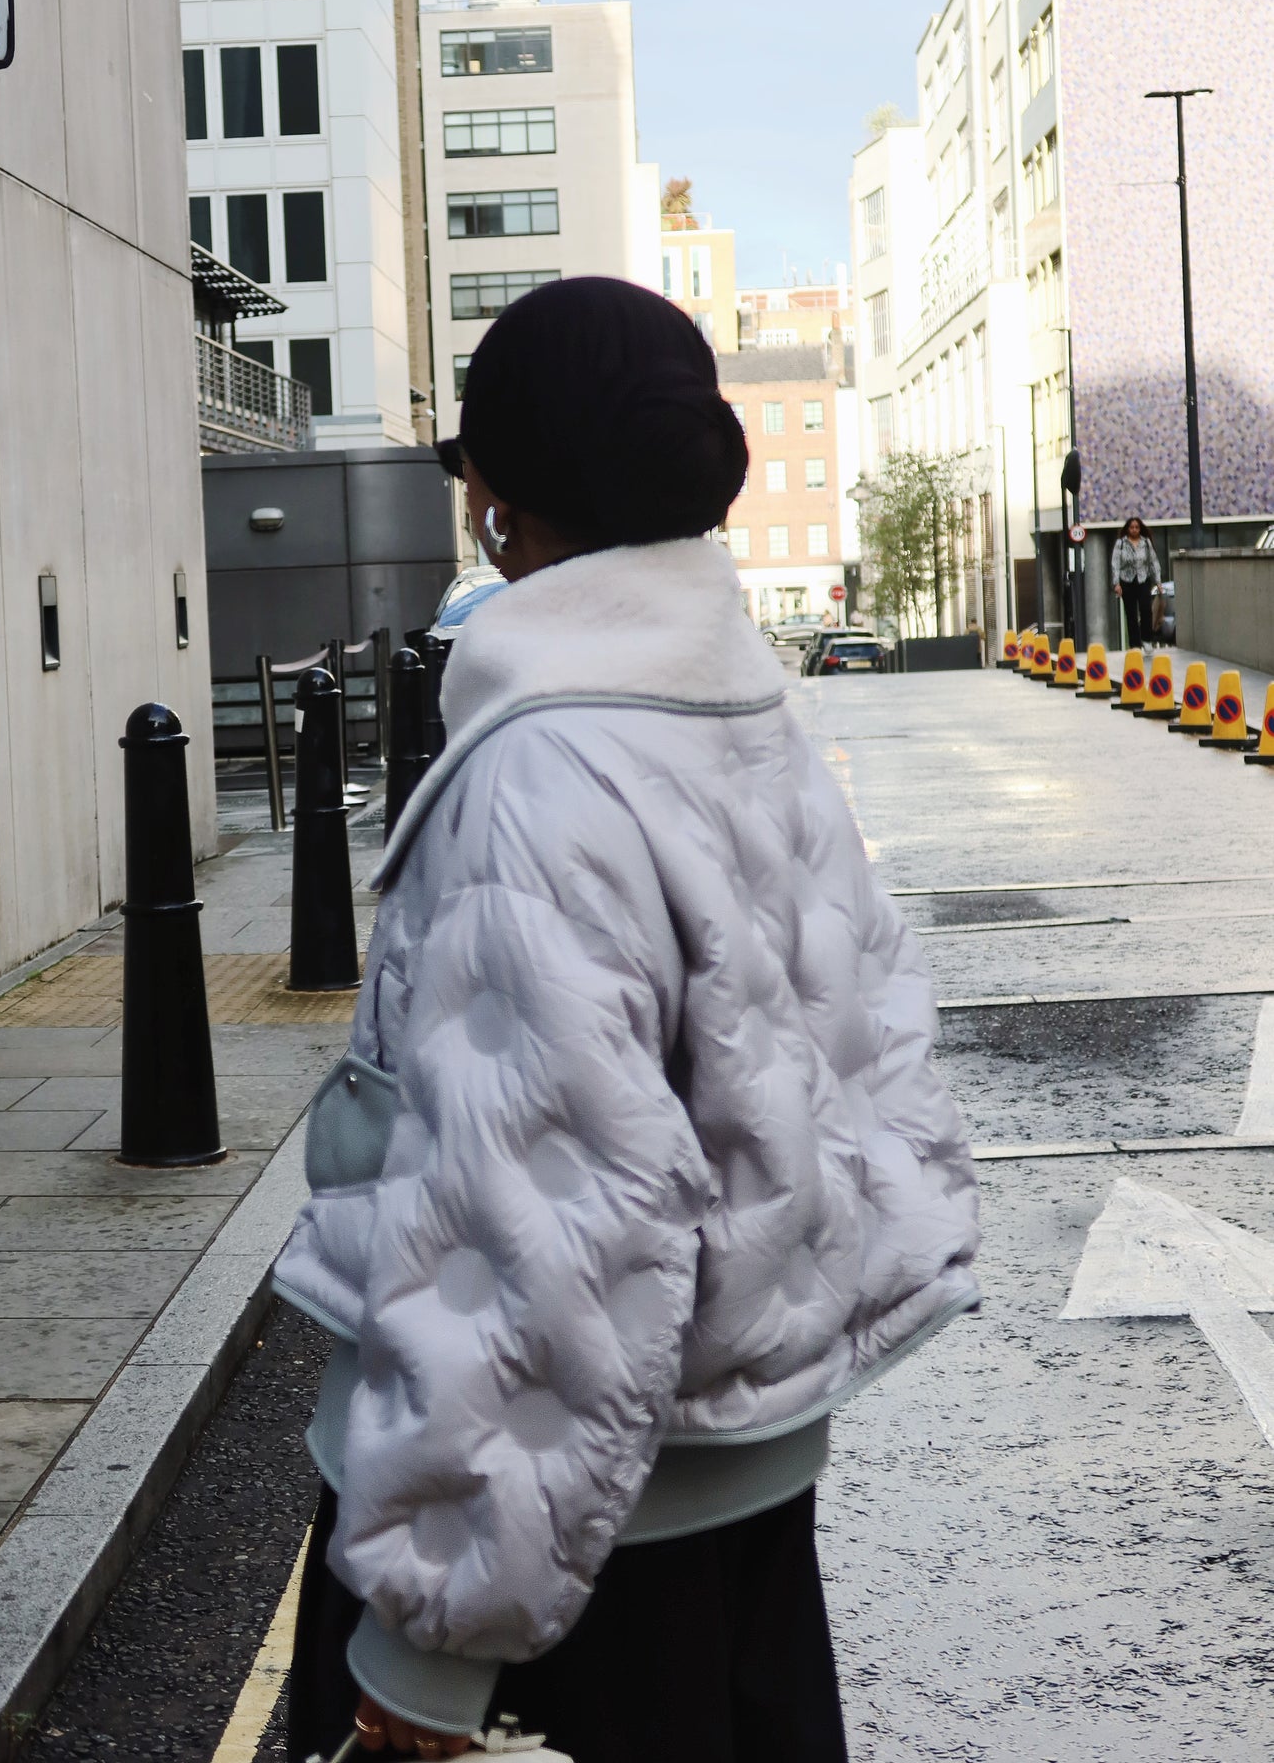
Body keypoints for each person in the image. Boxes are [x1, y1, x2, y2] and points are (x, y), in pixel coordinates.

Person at [274, 277, 980, 1763]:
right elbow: (864, 1063)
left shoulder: (546, 773)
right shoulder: (747, 715)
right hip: (738, 1476)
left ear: (497, 499)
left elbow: (535, 1223)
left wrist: (426, 1651)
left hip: (570, 1520)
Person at [1111, 515, 1160, 650]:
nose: (1134, 530)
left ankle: (1147, 639)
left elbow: (1153, 561)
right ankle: (1135, 644)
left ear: (1140, 529)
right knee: (1131, 613)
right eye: (1131, 527)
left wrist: (1158, 581)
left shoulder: (1146, 543)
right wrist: (1116, 583)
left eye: (1137, 527)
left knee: (1146, 609)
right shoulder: (1121, 543)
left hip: (1143, 579)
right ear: (1127, 529)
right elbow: (1115, 564)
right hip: (1127, 580)